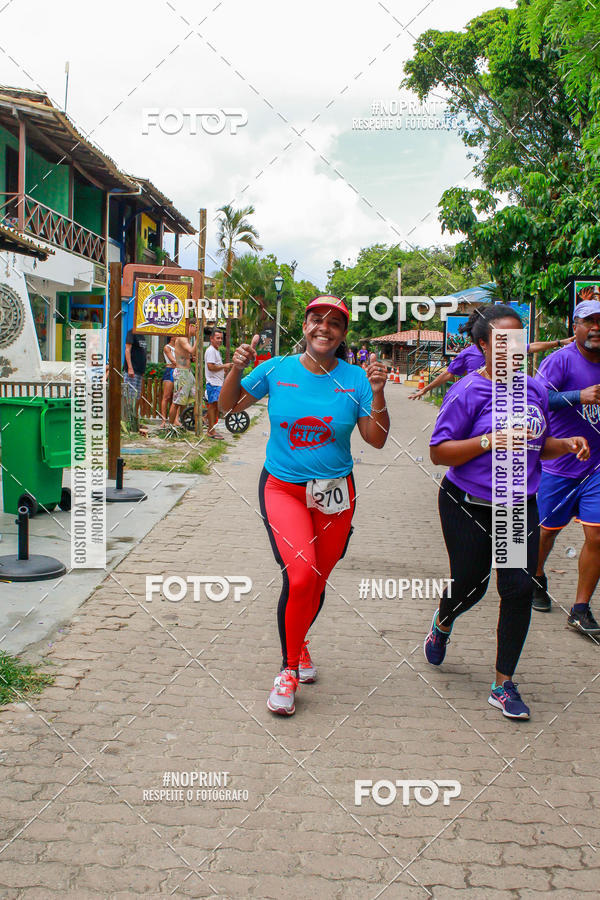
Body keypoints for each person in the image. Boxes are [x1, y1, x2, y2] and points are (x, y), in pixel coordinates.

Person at [219, 295, 390, 716]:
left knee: (316, 580)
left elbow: (377, 438)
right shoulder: (276, 369)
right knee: (300, 575)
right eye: (316, 319)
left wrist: (381, 392)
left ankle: (301, 641)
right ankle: (288, 669)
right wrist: (237, 368)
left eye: (334, 323)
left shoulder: (356, 379)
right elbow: (228, 410)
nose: (324, 328)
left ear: (343, 334)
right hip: (283, 488)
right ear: (306, 326)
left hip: (335, 494)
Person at [425, 304, 589, 720]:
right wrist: (491, 440)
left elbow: (538, 442)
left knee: (516, 589)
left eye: (519, 339)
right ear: (483, 346)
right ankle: (444, 621)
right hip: (468, 505)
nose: (514, 349)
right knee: (470, 586)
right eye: (503, 341)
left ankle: (503, 683)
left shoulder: (534, 389)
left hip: (517, 507)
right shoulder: (467, 391)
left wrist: (566, 446)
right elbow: (438, 453)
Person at [532, 299, 600, 633]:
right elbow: (538, 399)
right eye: (590, 322)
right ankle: (537, 575)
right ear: (575, 327)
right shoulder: (559, 361)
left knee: (597, 534)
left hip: (597, 466)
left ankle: (580, 608)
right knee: (546, 532)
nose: (596, 328)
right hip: (558, 465)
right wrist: (579, 396)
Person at [409, 309, 574, 400]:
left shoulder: (509, 349)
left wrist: (559, 343)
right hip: (479, 400)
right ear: (482, 342)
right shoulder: (468, 356)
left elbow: (533, 347)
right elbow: (447, 374)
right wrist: (426, 389)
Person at [205, 328, 233, 439]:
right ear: (211, 339)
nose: (220, 340)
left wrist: (223, 369)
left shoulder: (216, 351)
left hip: (218, 383)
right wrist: (224, 366)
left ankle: (211, 427)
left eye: (221, 338)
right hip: (213, 383)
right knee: (213, 406)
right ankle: (211, 431)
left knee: (216, 407)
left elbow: (215, 366)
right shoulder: (211, 350)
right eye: (217, 338)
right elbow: (210, 367)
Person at [169, 322, 197, 427]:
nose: (197, 331)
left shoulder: (188, 339)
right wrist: (198, 338)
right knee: (176, 402)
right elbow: (191, 350)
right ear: (191, 326)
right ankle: (170, 426)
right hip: (181, 373)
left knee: (197, 397)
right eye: (197, 328)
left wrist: (191, 358)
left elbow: (189, 354)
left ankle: (196, 422)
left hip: (188, 372)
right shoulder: (182, 338)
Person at [123, 328, 147, 425]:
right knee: (129, 395)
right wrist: (130, 367)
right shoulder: (131, 332)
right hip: (132, 370)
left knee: (137, 396)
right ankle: (127, 419)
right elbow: (127, 350)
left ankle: (134, 419)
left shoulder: (143, 334)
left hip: (139, 371)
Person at [160, 336, 178, 425]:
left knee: (176, 397)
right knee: (166, 396)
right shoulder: (167, 347)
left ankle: (174, 419)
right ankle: (163, 420)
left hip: (178, 371)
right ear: (172, 337)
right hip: (170, 371)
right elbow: (173, 360)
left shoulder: (179, 347)